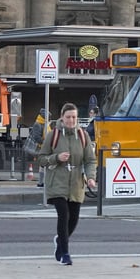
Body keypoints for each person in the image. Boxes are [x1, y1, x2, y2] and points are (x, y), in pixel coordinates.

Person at [37, 103, 97, 265]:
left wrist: (91, 177)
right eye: (68, 117)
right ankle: (65, 254)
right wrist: (56, 157)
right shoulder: (53, 135)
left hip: (76, 182)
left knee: (74, 219)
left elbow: (90, 160)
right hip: (57, 181)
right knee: (63, 215)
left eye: (74, 117)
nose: (71, 120)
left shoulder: (83, 135)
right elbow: (41, 158)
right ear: (62, 117)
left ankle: (60, 241)